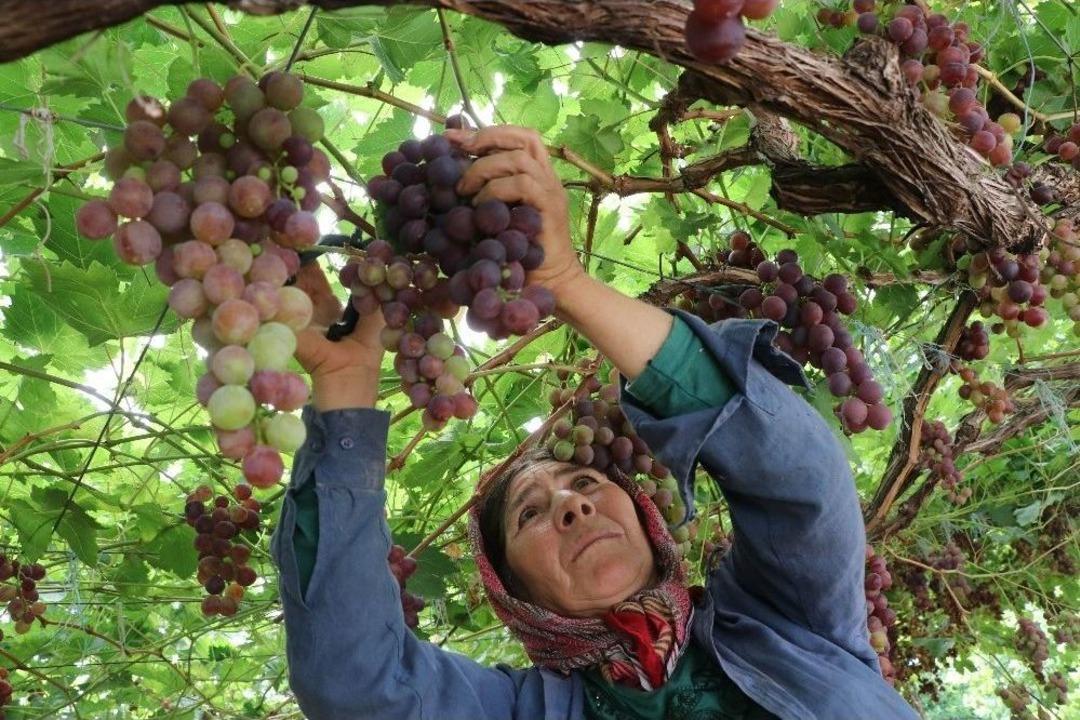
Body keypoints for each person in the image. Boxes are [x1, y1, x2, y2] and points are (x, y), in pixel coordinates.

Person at [271, 125, 919, 720]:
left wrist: (566, 284)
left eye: (584, 487)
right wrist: (345, 387)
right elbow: (354, 683)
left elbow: (799, 481)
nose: (571, 509)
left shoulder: (791, 626)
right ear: (513, 590)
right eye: (529, 514)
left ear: (647, 516)